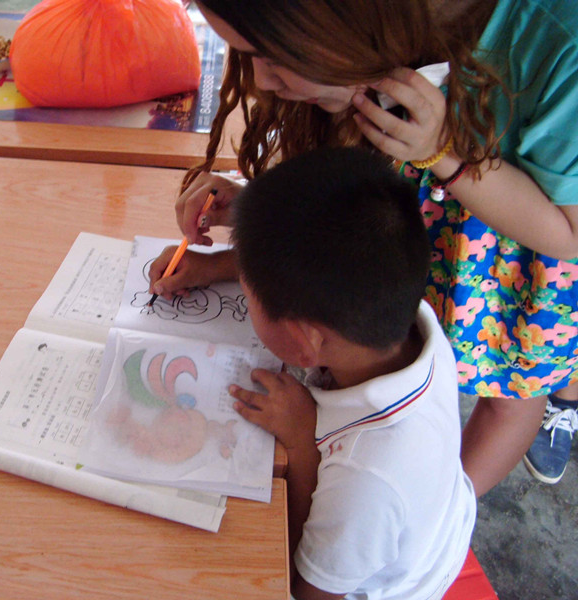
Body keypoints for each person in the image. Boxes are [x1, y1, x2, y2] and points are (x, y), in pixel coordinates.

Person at [151, 0, 578, 494]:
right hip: (408, 245)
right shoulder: (366, 48)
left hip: (514, 276)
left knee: (511, 395)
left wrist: (446, 155)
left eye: (270, 55)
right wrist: (254, 218)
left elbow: (569, 234)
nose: (261, 81)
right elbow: (348, 225)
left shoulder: (558, 46)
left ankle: (444, 509)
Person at [224, 147, 475, 599]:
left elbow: (307, 591)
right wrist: (212, 267)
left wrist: (303, 445)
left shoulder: (365, 481)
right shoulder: (399, 312)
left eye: (248, 295)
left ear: (306, 343)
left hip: (397, 582)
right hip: (426, 519)